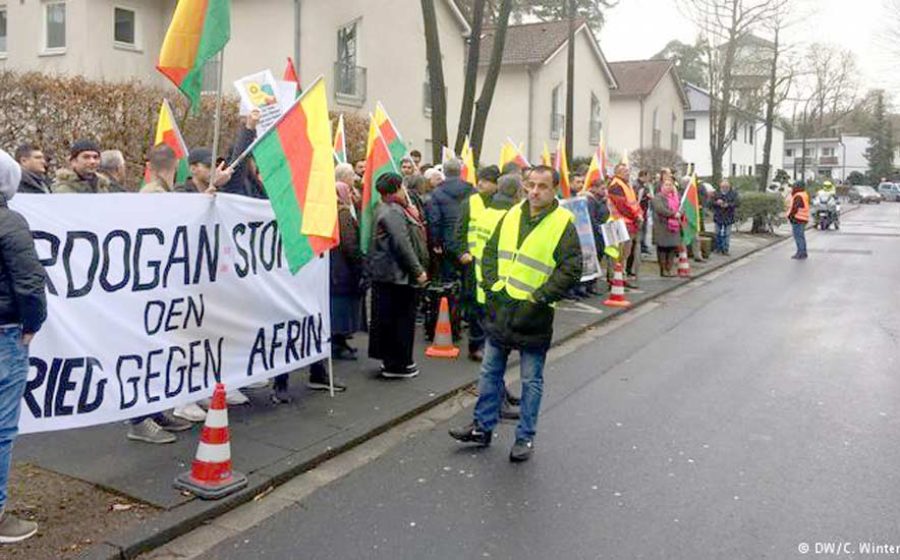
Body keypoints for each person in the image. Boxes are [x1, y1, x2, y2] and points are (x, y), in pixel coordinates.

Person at [449, 165, 582, 462]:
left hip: (534, 314)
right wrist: (493, 286)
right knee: (489, 372)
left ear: (554, 190)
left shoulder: (563, 223)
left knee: (531, 380)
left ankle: (525, 437)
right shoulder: (511, 214)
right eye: (530, 185)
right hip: (502, 307)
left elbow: (571, 269)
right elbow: (491, 253)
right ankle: (482, 427)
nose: (535, 191)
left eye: (542, 186)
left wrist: (539, 297)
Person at [0, 150, 47, 543]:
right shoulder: (10, 223)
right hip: (4, 335)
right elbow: (31, 283)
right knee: (0, 428)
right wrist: (32, 324)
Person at [368, 173, 429, 378]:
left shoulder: (384, 207)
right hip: (396, 277)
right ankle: (398, 364)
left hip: (388, 275)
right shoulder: (393, 211)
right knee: (399, 321)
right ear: (397, 188)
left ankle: (393, 362)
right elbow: (402, 244)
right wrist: (417, 270)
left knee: (389, 320)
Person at [456, 165, 501, 361]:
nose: (480, 183)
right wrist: (462, 252)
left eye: (486, 180)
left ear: (496, 184)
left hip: (495, 264)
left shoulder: (500, 204)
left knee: (491, 306)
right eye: (480, 179)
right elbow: (460, 231)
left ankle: (490, 343)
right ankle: (476, 345)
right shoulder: (470, 202)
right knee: (476, 306)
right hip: (473, 263)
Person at [330, 171, 364, 362]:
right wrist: (359, 263)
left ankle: (340, 342)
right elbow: (349, 244)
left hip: (336, 268)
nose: (352, 195)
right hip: (342, 269)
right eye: (349, 192)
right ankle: (338, 343)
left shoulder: (335, 212)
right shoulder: (342, 214)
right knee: (341, 309)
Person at [426, 158, 474, 284]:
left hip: (447, 242)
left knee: (448, 280)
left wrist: (436, 243)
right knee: (468, 279)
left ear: (444, 172)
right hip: (468, 241)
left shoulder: (436, 193)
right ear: (460, 171)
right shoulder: (472, 191)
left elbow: (434, 220)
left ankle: (450, 302)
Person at [607, 163, 643, 288]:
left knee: (624, 253)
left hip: (627, 223)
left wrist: (639, 214)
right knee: (618, 253)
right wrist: (636, 216)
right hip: (619, 222)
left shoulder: (626, 185)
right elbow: (622, 205)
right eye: (624, 171)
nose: (627, 173)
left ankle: (621, 277)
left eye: (628, 171)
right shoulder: (616, 185)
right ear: (617, 172)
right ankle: (614, 278)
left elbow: (633, 203)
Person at [652, 178, 683, 276]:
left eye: (670, 185)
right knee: (662, 248)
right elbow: (660, 209)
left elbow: (682, 207)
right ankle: (663, 269)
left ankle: (669, 268)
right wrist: (673, 214)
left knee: (672, 248)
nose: (668, 187)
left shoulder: (677, 197)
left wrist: (680, 213)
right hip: (662, 226)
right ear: (662, 186)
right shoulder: (658, 197)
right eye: (666, 185)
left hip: (675, 226)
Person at [711, 180, 739, 255]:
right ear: (720, 187)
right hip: (718, 216)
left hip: (728, 216)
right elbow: (710, 203)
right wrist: (717, 203)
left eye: (726, 187)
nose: (724, 188)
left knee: (727, 234)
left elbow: (737, 203)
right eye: (723, 187)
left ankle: (725, 249)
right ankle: (718, 248)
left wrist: (728, 205)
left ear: (729, 187)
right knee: (717, 233)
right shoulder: (716, 193)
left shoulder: (733, 193)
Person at [787, 181, 809, 260]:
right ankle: (803, 252)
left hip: (798, 218)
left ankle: (800, 253)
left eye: (794, 186)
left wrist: (790, 216)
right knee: (801, 236)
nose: (793, 187)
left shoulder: (798, 196)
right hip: (803, 218)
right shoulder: (804, 194)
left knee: (798, 237)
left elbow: (795, 208)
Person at [635, 169, 654, 256]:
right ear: (644, 176)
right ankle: (640, 246)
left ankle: (643, 245)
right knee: (640, 229)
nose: (649, 178)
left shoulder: (645, 186)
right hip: (639, 210)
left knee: (644, 229)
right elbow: (636, 198)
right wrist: (645, 196)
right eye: (648, 176)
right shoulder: (637, 185)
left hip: (645, 210)